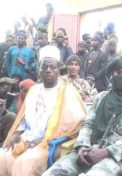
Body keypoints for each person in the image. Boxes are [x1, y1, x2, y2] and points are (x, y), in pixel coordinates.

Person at [42, 56, 122, 176]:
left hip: (112, 157)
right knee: (54, 172)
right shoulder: (101, 97)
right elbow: (88, 124)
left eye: (120, 74)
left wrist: (106, 151)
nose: (115, 77)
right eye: (113, 73)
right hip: (88, 149)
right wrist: (82, 146)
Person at [0, 45, 87, 176]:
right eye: (44, 67)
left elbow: (74, 126)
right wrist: (16, 134)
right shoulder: (34, 90)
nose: (48, 70)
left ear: (59, 70)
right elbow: (24, 119)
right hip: (26, 137)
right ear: (39, 70)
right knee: (3, 157)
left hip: (50, 143)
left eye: (53, 67)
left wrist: (45, 139)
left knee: (23, 164)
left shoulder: (68, 92)